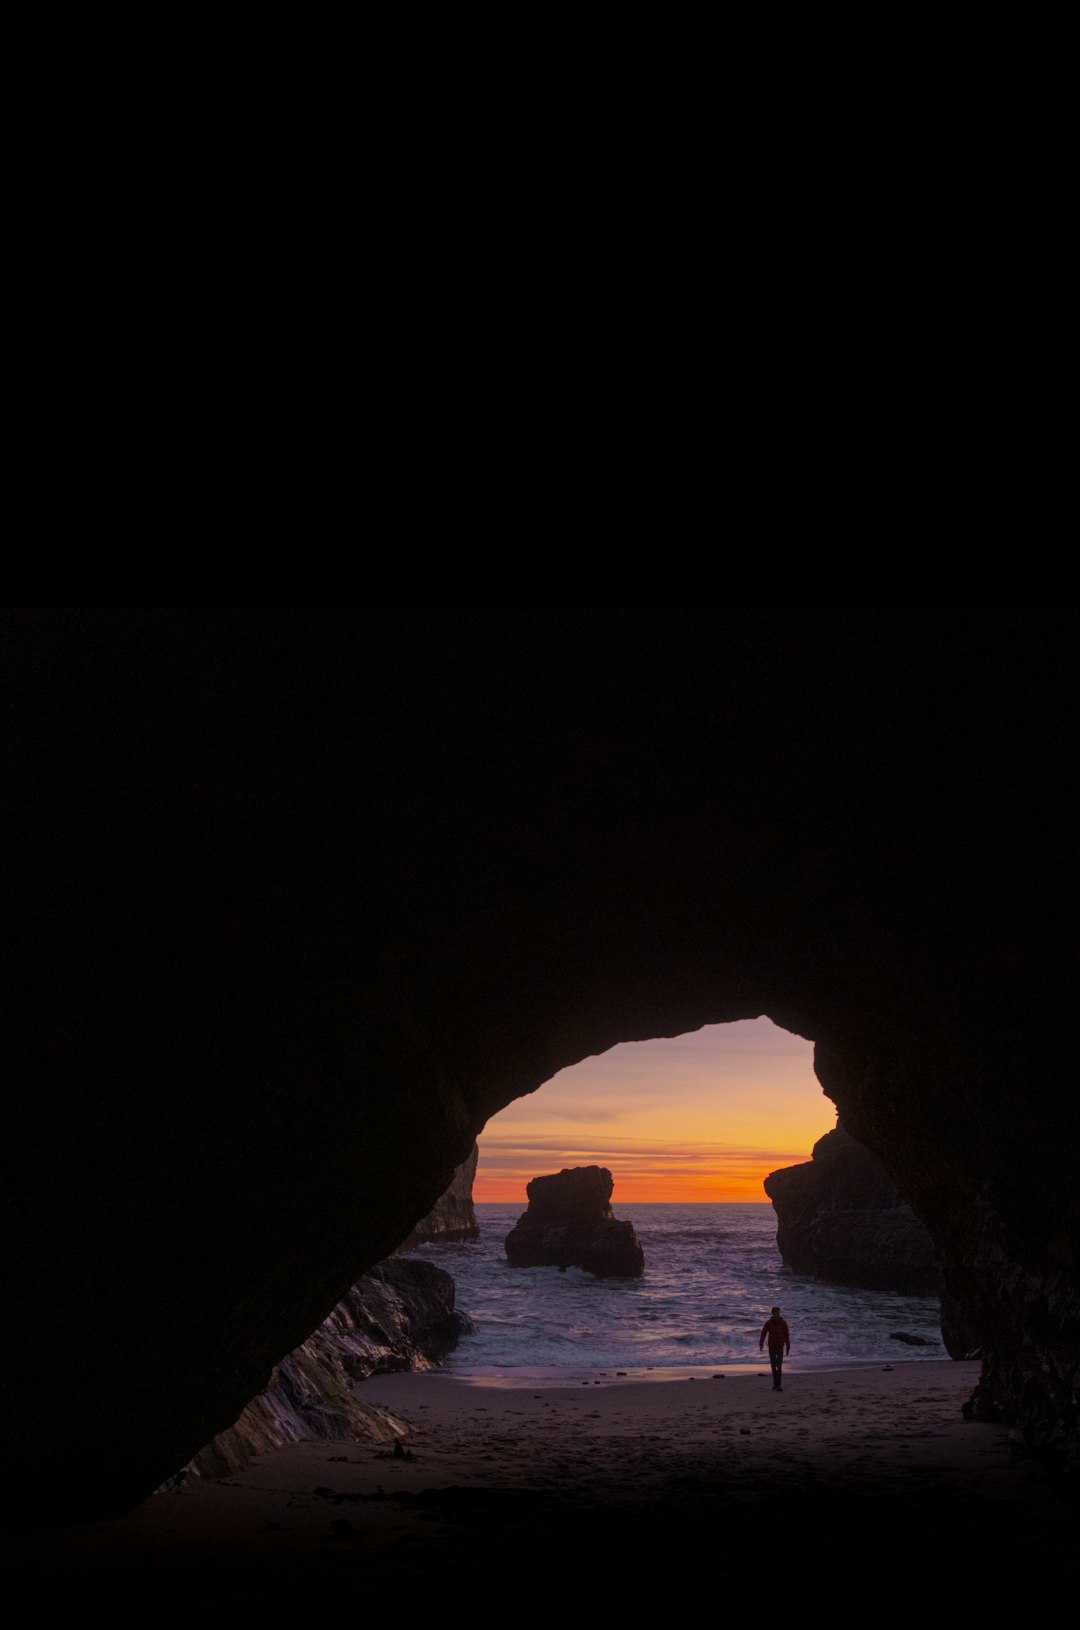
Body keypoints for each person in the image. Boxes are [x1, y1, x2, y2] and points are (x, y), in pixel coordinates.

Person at [759, 1305, 791, 1391]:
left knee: (779, 1365)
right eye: (776, 1313)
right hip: (772, 1346)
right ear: (773, 1314)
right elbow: (764, 1333)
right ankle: (775, 1384)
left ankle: (779, 1384)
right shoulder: (769, 1323)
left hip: (780, 1346)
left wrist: (788, 1347)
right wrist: (761, 1344)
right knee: (773, 1365)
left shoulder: (783, 1323)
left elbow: (787, 1335)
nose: (778, 1314)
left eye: (779, 1313)